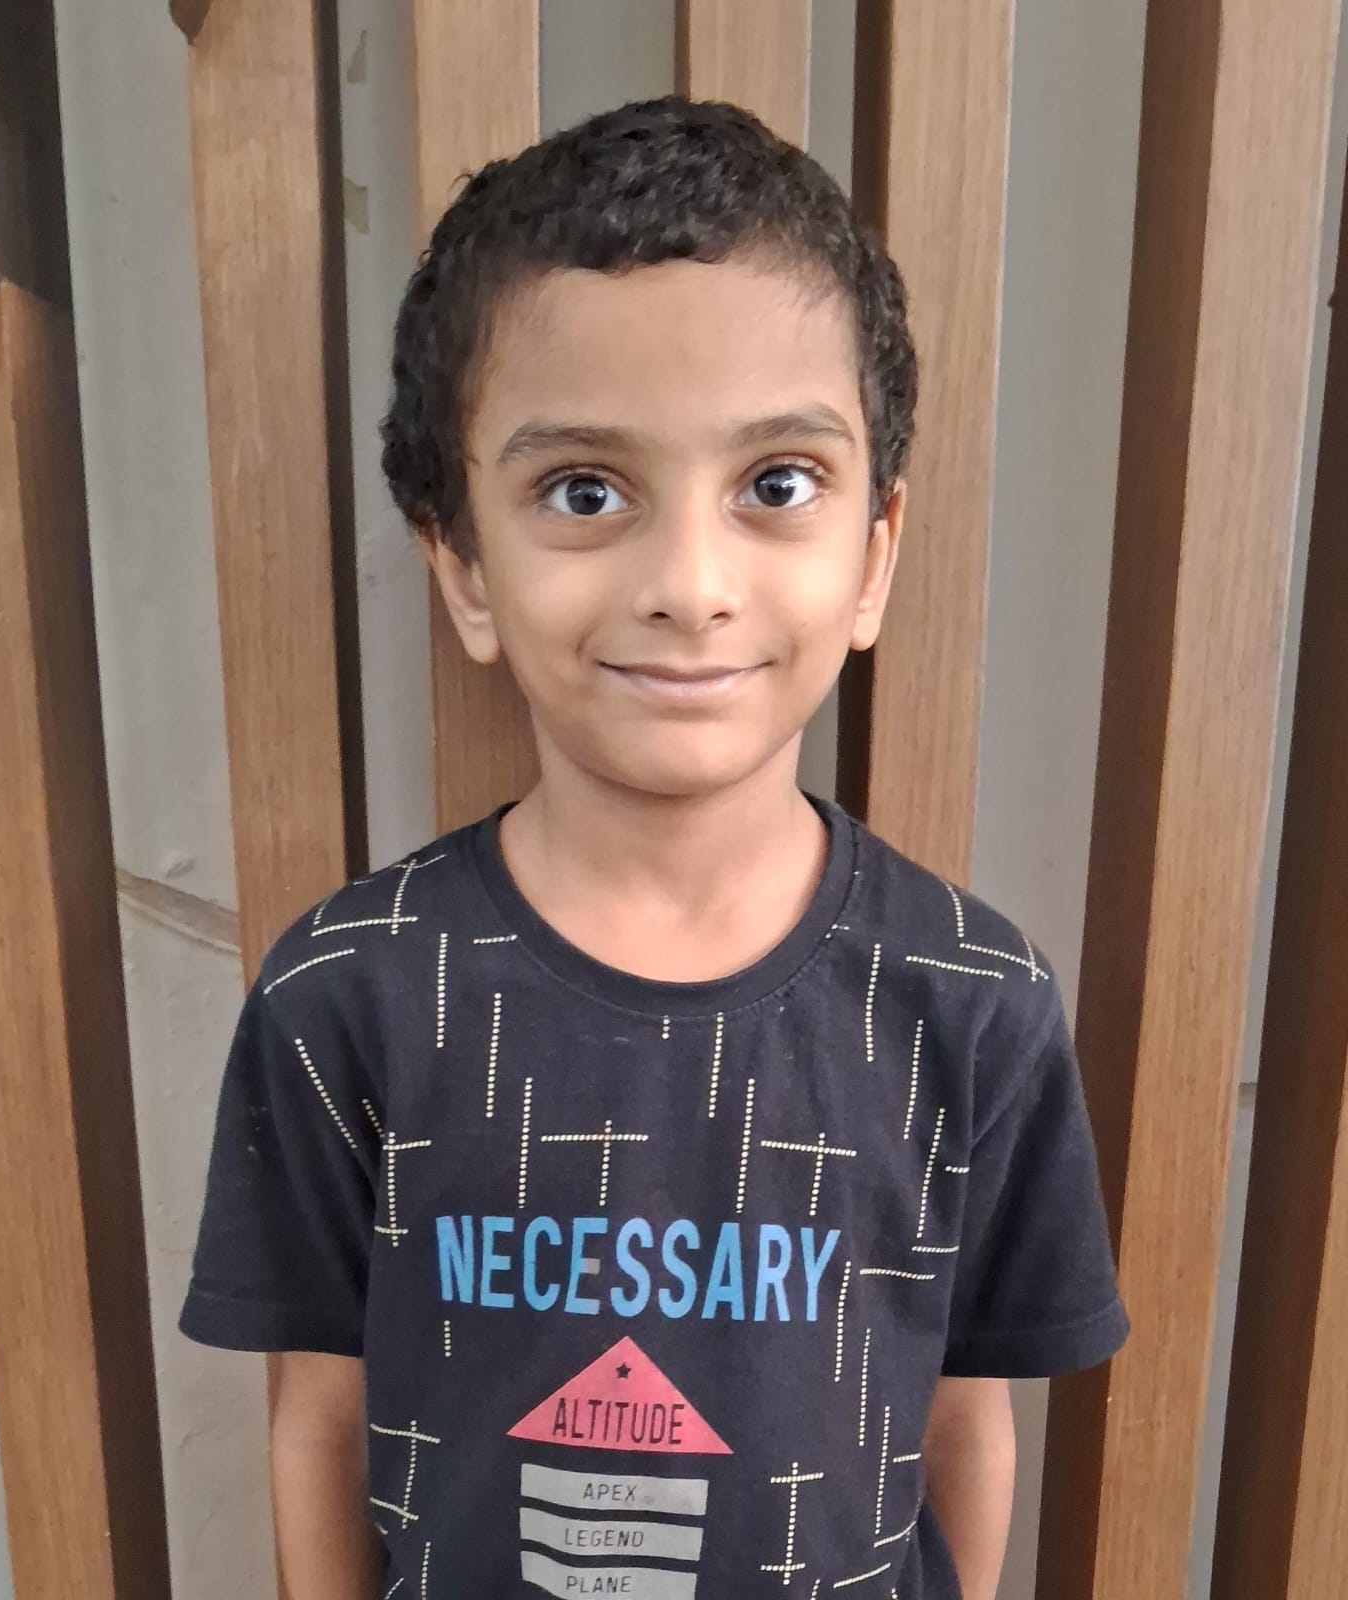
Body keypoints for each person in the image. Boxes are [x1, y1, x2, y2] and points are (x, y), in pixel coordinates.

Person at [180, 96, 1128, 1600]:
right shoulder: (350, 992)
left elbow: (964, 1423)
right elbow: (321, 1420)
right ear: (464, 567)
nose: (690, 583)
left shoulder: (972, 1000)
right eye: (585, 492)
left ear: (874, 554)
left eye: (776, 485)